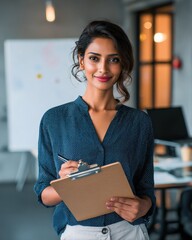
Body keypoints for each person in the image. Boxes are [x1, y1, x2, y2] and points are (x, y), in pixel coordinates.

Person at [34, 20, 156, 240]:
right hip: (78, 233)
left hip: (129, 231)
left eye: (114, 60)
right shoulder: (54, 120)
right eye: (94, 58)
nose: (103, 69)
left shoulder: (140, 122)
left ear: (123, 65)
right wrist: (65, 185)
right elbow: (43, 193)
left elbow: (145, 189)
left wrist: (144, 206)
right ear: (81, 61)